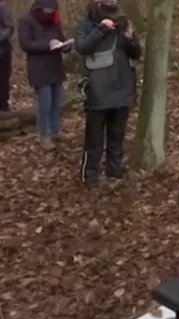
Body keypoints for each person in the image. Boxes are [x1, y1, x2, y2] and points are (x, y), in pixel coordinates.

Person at [75, 0, 142, 186]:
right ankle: (90, 175)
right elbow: (82, 47)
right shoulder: (86, 24)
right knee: (94, 139)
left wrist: (130, 39)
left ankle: (114, 169)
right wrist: (101, 30)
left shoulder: (123, 21)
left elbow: (136, 53)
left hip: (123, 88)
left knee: (117, 135)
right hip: (97, 90)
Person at [17, 0, 70, 149]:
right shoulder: (26, 20)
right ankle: (43, 134)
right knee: (44, 102)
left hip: (55, 65)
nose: (51, 11)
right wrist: (48, 45)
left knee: (56, 102)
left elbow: (61, 38)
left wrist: (65, 46)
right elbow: (26, 44)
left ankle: (55, 131)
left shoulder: (54, 20)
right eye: (49, 8)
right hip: (38, 67)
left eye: (53, 9)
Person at [0, 0, 14, 111]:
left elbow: (10, 28)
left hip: (2, 52)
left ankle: (4, 108)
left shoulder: (2, 6)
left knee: (3, 81)